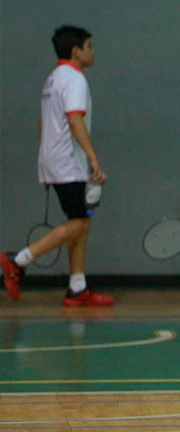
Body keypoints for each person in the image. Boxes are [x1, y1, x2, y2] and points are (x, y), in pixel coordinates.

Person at [1, 25, 113, 307]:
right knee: (80, 224)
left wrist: (45, 162)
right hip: (67, 162)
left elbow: (43, 123)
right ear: (76, 51)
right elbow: (75, 121)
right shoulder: (74, 79)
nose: (93, 51)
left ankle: (77, 288)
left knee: (82, 223)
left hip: (54, 159)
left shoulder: (53, 78)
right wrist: (93, 158)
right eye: (89, 46)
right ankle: (18, 260)